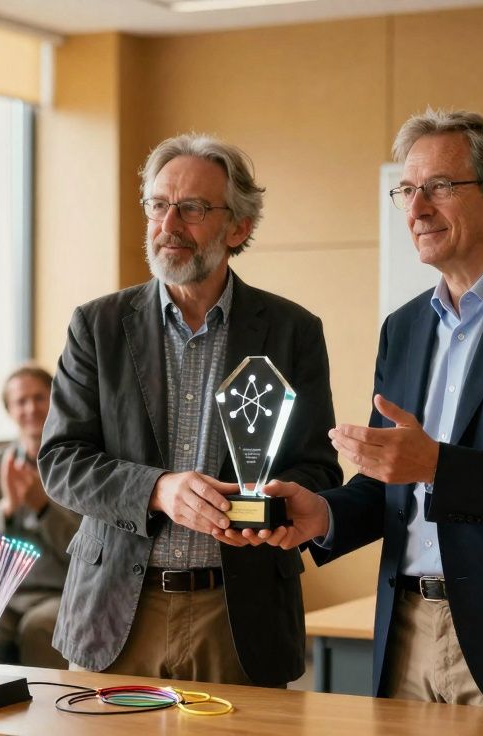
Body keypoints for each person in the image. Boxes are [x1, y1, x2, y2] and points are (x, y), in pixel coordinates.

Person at [242, 109, 483, 712]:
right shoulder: (403, 328)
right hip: (406, 634)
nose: (417, 208)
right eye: (406, 190)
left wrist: (437, 466)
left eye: (440, 187)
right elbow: (389, 482)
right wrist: (323, 513)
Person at [38, 133, 342, 687]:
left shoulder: (293, 331)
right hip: (115, 613)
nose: (168, 224)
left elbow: (318, 469)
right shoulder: (98, 326)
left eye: (193, 209)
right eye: (158, 205)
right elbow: (60, 462)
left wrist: (279, 505)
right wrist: (157, 489)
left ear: (238, 228)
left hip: (239, 615)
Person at [0, 363, 81, 666]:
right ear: (9, 410)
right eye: (20, 401)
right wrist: (7, 508)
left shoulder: (77, 465)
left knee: (38, 627)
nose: (31, 408)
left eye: (39, 398)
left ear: (56, 400)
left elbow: (88, 548)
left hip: (61, 592)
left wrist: (42, 507)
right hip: (2, 592)